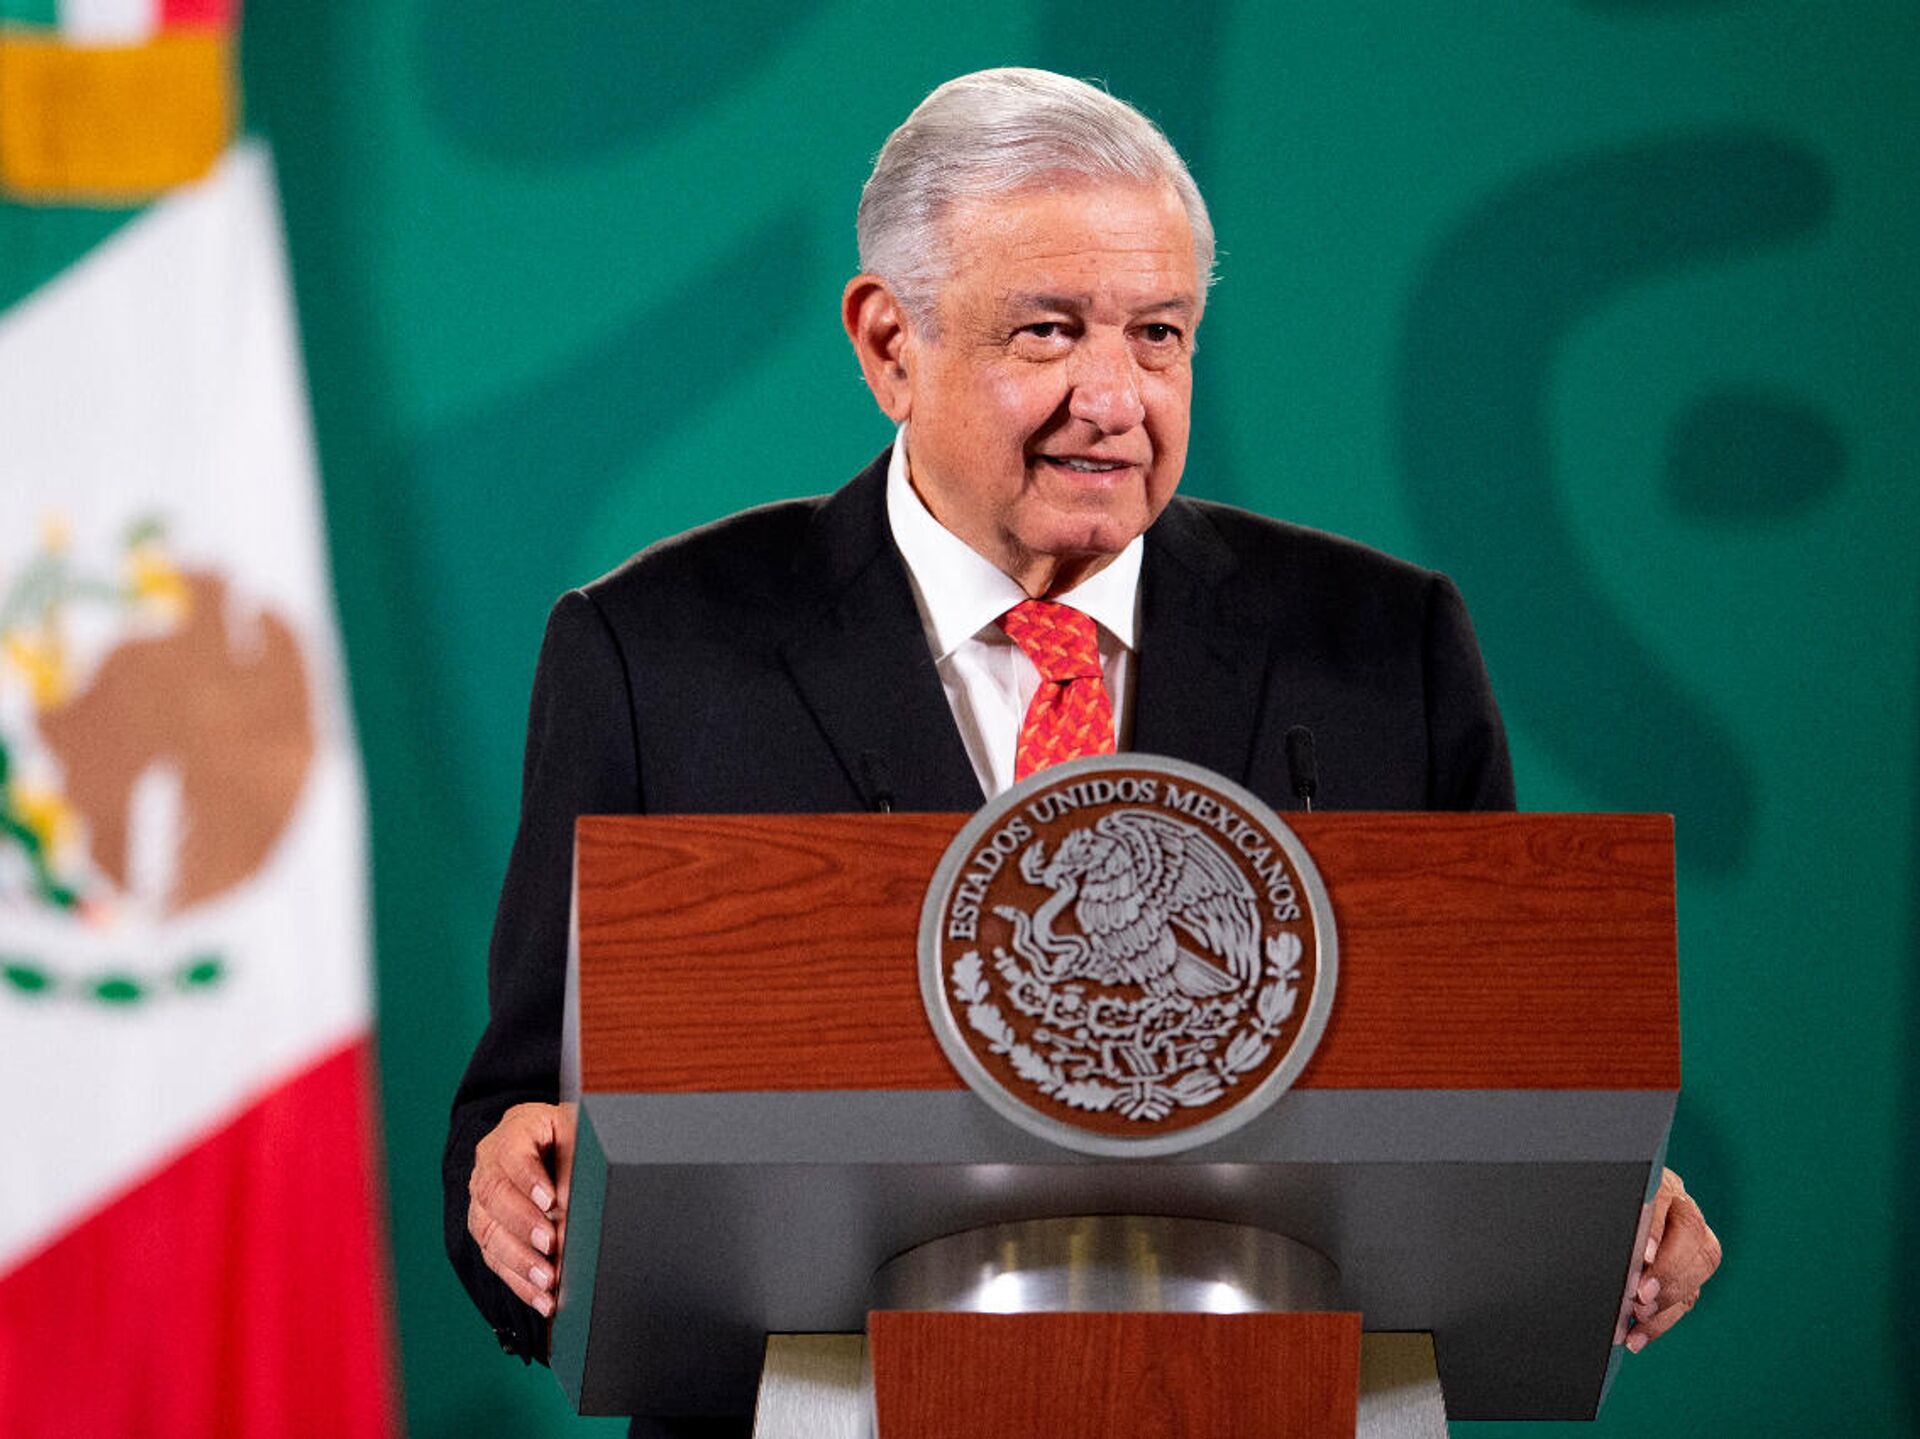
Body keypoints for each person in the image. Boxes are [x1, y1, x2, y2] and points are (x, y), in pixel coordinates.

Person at [445, 64, 1719, 1397]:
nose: (1116, 399)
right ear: (889, 345)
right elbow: (521, 1132)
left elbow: (1496, 1088)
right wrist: (518, 1200)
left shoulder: (1386, 651)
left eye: (1158, 335)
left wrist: (1611, 1214)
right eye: (1049, 332)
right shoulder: (654, 656)